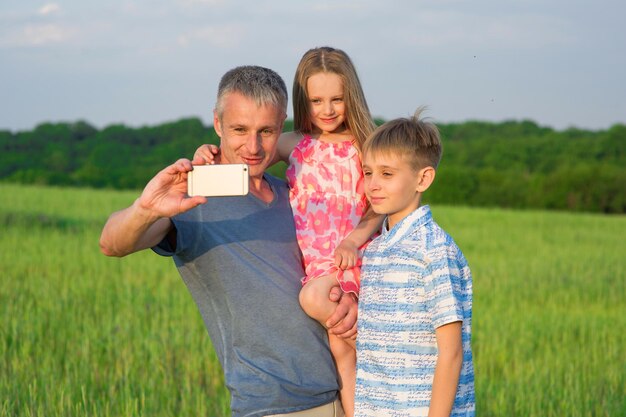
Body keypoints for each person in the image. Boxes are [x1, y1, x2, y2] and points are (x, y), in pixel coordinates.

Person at [99, 65, 359, 417]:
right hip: (270, 406)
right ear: (218, 124)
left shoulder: (294, 195)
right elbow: (112, 243)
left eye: (266, 131)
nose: (253, 146)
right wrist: (145, 209)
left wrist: (350, 300)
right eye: (239, 129)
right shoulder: (193, 198)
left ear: (282, 124)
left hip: (344, 395)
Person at [195, 47, 381, 417]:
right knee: (341, 351)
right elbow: (245, 153)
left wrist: (356, 238)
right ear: (302, 102)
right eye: (315, 101)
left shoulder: (365, 146)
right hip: (316, 263)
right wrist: (206, 155)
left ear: (352, 98)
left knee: (336, 331)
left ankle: (383, 362)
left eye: (336, 100)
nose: (326, 110)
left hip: (352, 258)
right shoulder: (293, 143)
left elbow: (382, 201)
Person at [354, 109, 475, 416]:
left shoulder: (433, 250)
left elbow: (451, 352)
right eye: (368, 173)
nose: (373, 185)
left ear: (423, 178)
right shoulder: (374, 250)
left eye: (387, 173)